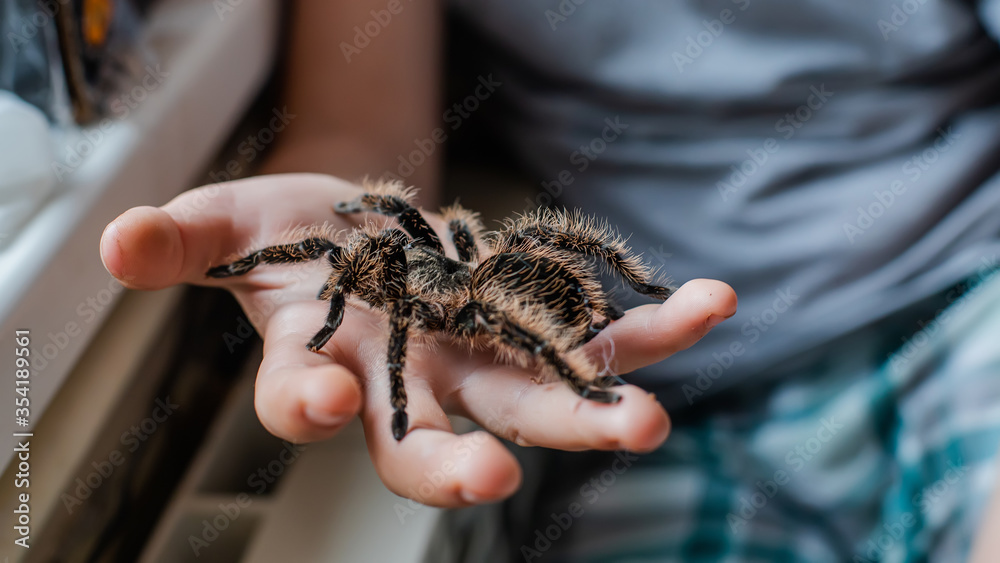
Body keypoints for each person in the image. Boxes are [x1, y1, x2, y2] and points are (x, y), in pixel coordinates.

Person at [100, 2, 1000, 561]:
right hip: (675, 390)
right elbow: (366, 154)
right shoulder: (416, 251)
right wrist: (317, 222)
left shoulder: (438, 288)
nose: (366, 280)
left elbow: (418, 297)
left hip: (968, 277)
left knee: (519, 263)